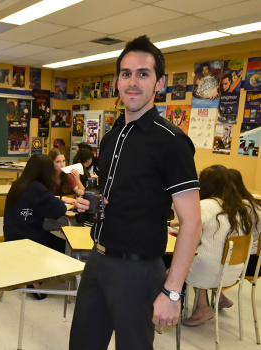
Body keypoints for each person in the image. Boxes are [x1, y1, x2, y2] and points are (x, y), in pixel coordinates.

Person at [69, 35, 202, 350]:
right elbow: (113, 196)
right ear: (117, 81)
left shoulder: (172, 142)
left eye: (143, 73)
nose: (133, 81)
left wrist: (172, 292)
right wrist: (91, 204)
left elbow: (192, 223)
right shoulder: (113, 136)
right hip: (98, 261)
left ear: (159, 83)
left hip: (139, 271)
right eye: (126, 73)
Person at [3, 154, 89, 298]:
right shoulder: (37, 187)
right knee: (66, 248)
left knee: (57, 239)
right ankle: (36, 278)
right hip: (27, 239)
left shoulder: (20, 183)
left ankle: (37, 277)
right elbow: (57, 209)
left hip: (14, 234)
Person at [182, 165, 251, 326]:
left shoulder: (204, 205)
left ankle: (201, 309)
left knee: (176, 265)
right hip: (233, 271)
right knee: (205, 255)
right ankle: (216, 300)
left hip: (208, 272)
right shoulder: (238, 207)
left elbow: (190, 240)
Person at [228, 168, 261, 277]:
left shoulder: (241, 207)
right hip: (256, 260)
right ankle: (219, 294)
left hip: (247, 262)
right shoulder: (250, 202)